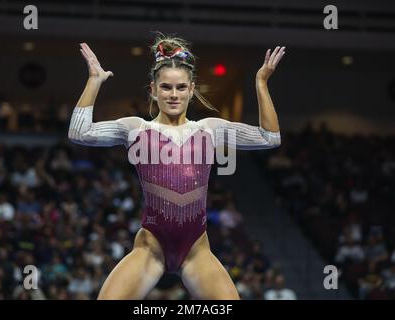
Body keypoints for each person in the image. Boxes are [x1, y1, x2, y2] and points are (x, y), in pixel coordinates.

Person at [68, 34, 284, 299]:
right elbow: (80, 132)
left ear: (192, 89)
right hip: (151, 248)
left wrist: (261, 82)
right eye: (166, 87)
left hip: (196, 250)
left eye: (181, 88)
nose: (173, 95)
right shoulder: (137, 129)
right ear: (153, 89)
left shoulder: (209, 130)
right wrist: (94, 81)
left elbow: (270, 137)